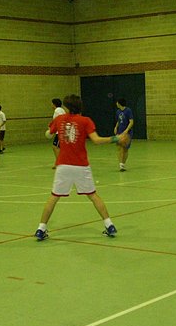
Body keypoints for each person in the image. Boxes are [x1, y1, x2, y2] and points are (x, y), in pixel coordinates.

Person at [35, 94, 128, 241]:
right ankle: (109, 225)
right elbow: (96, 140)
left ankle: (41, 228)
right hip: (81, 166)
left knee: (54, 197)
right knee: (92, 195)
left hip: (63, 166)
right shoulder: (85, 121)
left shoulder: (59, 120)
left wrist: (48, 133)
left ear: (67, 107)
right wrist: (116, 138)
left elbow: (48, 133)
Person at [114, 98, 134, 172]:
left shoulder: (128, 110)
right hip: (120, 132)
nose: (116, 104)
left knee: (125, 148)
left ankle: (123, 164)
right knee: (119, 148)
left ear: (119, 103)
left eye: (117, 102)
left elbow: (131, 122)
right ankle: (120, 164)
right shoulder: (118, 112)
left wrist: (126, 130)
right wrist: (116, 127)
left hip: (127, 133)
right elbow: (119, 121)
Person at [51, 98, 66, 169]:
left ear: (54, 104)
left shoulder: (58, 110)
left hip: (60, 132)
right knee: (59, 148)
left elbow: (61, 119)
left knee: (55, 147)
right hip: (61, 131)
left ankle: (59, 163)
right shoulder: (61, 110)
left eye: (52, 103)